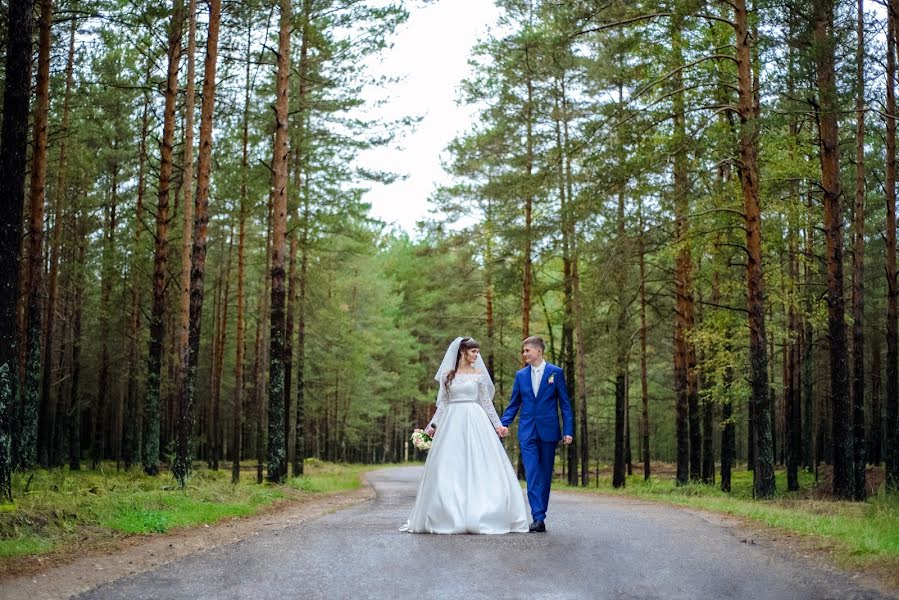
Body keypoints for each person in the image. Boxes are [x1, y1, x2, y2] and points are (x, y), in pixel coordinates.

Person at [400, 337, 529, 534]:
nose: (476, 355)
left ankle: (481, 512)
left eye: (477, 352)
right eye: (473, 352)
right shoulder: (447, 376)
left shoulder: (478, 375)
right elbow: (442, 403)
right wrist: (431, 426)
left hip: (476, 421)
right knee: (449, 465)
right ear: (462, 352)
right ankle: (449, 513)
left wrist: (498, 425)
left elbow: (486, 403)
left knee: (480, 464)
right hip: (452, 421)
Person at [499, 336, 573, 533]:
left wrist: (568, 431)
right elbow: (514, 403)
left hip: (549, 431)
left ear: (539, 351)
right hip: (527, 431)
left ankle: (541, 513)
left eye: (527, 351)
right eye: (523, 351)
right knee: (532, 473)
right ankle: (538, 517)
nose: (524, 354)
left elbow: (565, 404)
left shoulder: (555, 373)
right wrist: (502, 424)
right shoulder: (521, 375)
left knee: (545, 475)